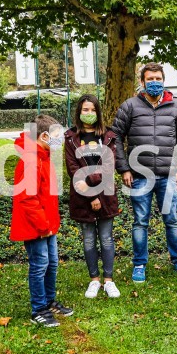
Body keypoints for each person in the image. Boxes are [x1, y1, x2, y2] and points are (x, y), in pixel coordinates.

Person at [112, 62, 177, 283]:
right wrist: (123, 168)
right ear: (142, 82)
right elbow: (115, 138)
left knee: (172, 219)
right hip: (139, 176)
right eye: (150, 79)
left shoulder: (175, 107)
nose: (154, 82)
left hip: (168, 175)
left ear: (163, 80)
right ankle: (139, 264)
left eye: (158, 79)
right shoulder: (129, 106)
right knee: (140, 221)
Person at [10, 115, 73, 328]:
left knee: (51, 263)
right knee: (40, 265)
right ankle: (38, 308)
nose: (60, 140)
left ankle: (49, 301)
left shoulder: (43, 156)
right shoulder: (30, 159)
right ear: (44, 136)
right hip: (37, 226)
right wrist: (43, 226)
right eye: (56, 136)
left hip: (47, 224)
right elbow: (27, 198)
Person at [65, 94, 121, 299]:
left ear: (98, 112)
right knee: (88, 240)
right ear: (79, 112)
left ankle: (108, 280)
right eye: (85, 110)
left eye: (92, 110)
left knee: (106, 238)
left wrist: (89, 184)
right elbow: (73, 169)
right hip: (82, 197)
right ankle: (94, 280)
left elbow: (108, 167)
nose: (89, 113)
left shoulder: (108, 136)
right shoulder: (70, 137)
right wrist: (90, 196)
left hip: (106, 195)